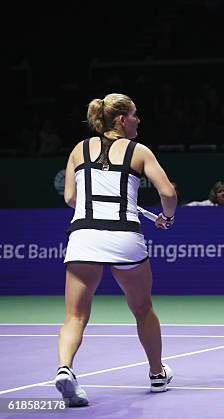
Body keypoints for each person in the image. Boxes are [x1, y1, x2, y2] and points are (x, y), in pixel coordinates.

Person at [57, 93, 177, 406]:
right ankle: (156, 374)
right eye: (135, 115)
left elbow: (70, 198)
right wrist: (167, 216)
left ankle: (65, 369)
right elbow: (168, 192)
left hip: (84, 237)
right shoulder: (139, 151)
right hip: (125, 238)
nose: (138, 120)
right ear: (122, 119)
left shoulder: (78, 150)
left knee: (75, 316)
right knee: (143, 310)